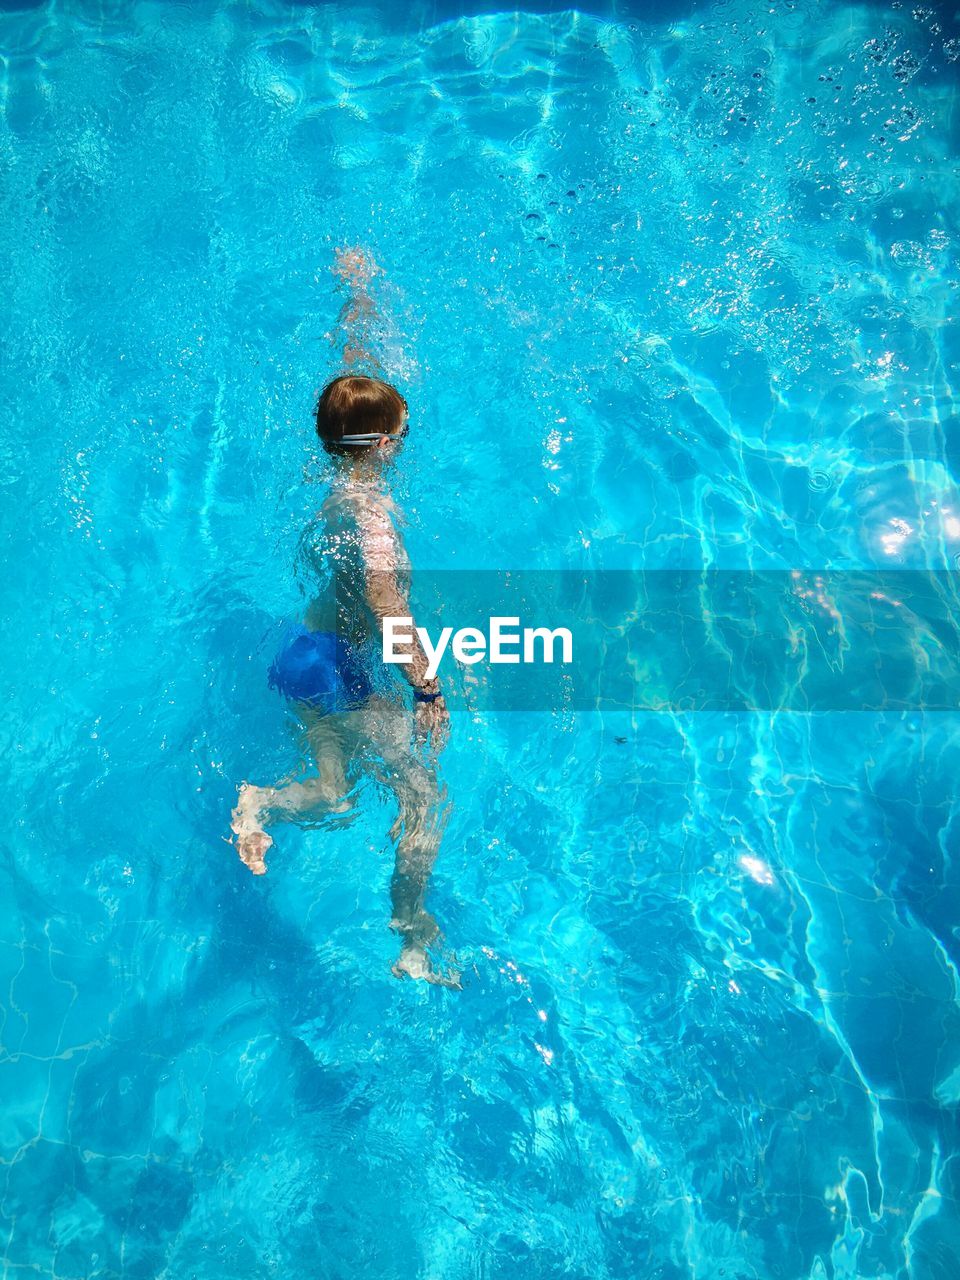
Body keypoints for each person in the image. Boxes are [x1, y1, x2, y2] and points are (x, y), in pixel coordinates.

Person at [230, 246, 456, 986]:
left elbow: (353, 380)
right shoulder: (377, 521)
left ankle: (262, 800)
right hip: (347, 670)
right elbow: (390, 605)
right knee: (423, 794)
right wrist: (426, 686)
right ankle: (412, 935)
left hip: (307, 653)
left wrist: (356, 294)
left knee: (335, 795)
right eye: (403, 432)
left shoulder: (335, 478)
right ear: (387, 445)